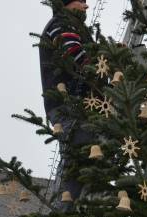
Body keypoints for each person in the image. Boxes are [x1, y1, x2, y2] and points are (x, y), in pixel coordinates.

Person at [39, 0, 94, 202]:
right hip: (69, 105)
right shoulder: (61, 24)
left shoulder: (72, 26)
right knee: (75, 166)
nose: (85, 7)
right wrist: (106, 69)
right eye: (81, 1)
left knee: (86, 165)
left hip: (80, 106)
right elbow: (76, 54)